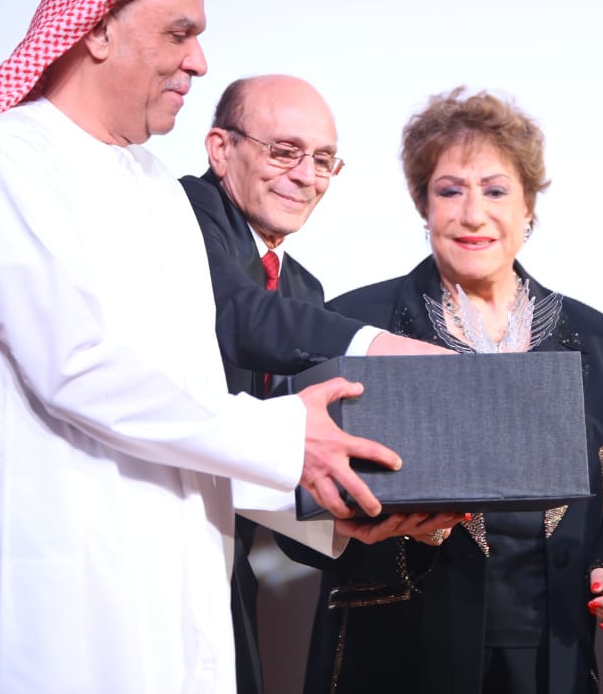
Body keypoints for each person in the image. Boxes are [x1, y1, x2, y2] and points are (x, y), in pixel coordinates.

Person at [0, 0, 402, 694]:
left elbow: (184, 402)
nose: (199, 61)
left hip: (166, 589)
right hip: (52, 594)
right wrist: (287, 438)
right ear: (98, 29)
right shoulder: (16, 153)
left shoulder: (157, 185)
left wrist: (319, 502)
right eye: (179, 34)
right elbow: (77, 368)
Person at [287, 87, 603, 694]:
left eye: (496, 190)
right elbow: (296, 489)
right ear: (424, 206)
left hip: (551, 652)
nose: (473, 214)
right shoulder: (353, 323)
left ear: (529, 204)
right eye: (450, 191)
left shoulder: (597, 337)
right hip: (397, 654)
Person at [180, 74, 458, 694]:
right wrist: (380, 347)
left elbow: (283, 453)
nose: (306, 175)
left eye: (324, 159)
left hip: (228, 577)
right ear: (220, 149)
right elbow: (235, 314)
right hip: (145, 555)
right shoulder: (176, 216)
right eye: (284, 151)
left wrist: (345, 517)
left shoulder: (302, 286)